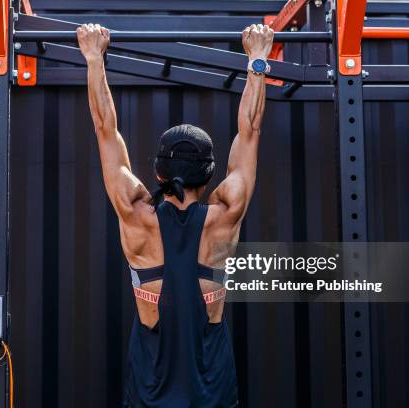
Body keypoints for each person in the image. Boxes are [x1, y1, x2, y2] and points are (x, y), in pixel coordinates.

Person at [77, 22, 274, 408]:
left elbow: (104, 128)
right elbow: (250, 130)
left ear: (158, 172)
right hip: (212, 390)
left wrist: (93, 58)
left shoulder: (135, 214)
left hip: (150, 390)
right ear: (210, 174)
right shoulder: (226, 212)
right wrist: (258, 59)